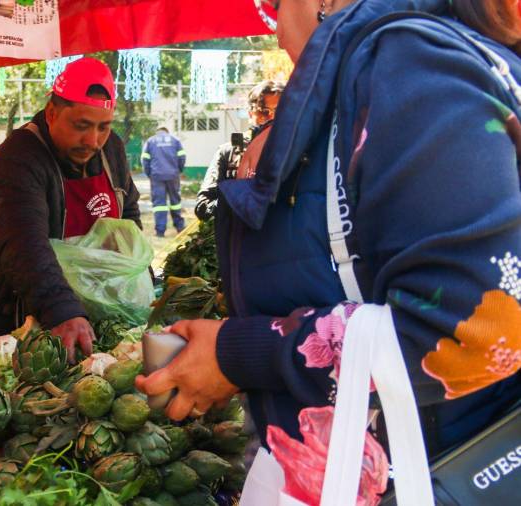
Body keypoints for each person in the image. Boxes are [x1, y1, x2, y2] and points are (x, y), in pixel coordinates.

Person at [137, 0, 521, 476]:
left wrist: (237, 355)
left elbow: (467, 331)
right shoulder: (391, 70)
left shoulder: (410, 63)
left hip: (426, 468)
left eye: (273, 5)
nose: (275, 30)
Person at [0, 58, 141, 359]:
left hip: (87, 315)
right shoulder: (16, 159)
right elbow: (23, 244)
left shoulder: (112, 148)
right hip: (14, 321)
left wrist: (136, 277)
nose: (93, 140)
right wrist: (62, 310)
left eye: (103, 127)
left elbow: (128, 216)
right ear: (51, 113)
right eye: (81, 126)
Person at [195, 80, 284, 221]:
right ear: (250, 113)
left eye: (279, 112)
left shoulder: (298, 153)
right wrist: (234, 203)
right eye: (264, 112)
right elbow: (202, 206)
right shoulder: (228, 153)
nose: (272, 118)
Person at [142, 127, 186, 236]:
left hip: (156, 176)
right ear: (167, 131)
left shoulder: (151, 141)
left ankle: (160, 231)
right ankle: (180, 227)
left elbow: (144, 159)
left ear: (157, 132)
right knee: (175, 202)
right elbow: (182, 157)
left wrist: (149, 174)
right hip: (173, 175)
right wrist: (178, 170)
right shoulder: (175, 140)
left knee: (159, 204)